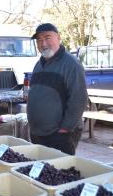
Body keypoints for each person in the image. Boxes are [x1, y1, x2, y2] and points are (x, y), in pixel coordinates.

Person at [27, 23, 87, 155]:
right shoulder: (39, 64)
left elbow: (79, 99)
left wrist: (65, 129)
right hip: (38, 133)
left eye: (47, 38)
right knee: (42, 171)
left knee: (61, 171)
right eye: (39, 40)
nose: (43, 44)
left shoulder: (71, 64)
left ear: (58, 38)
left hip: (60, 135)